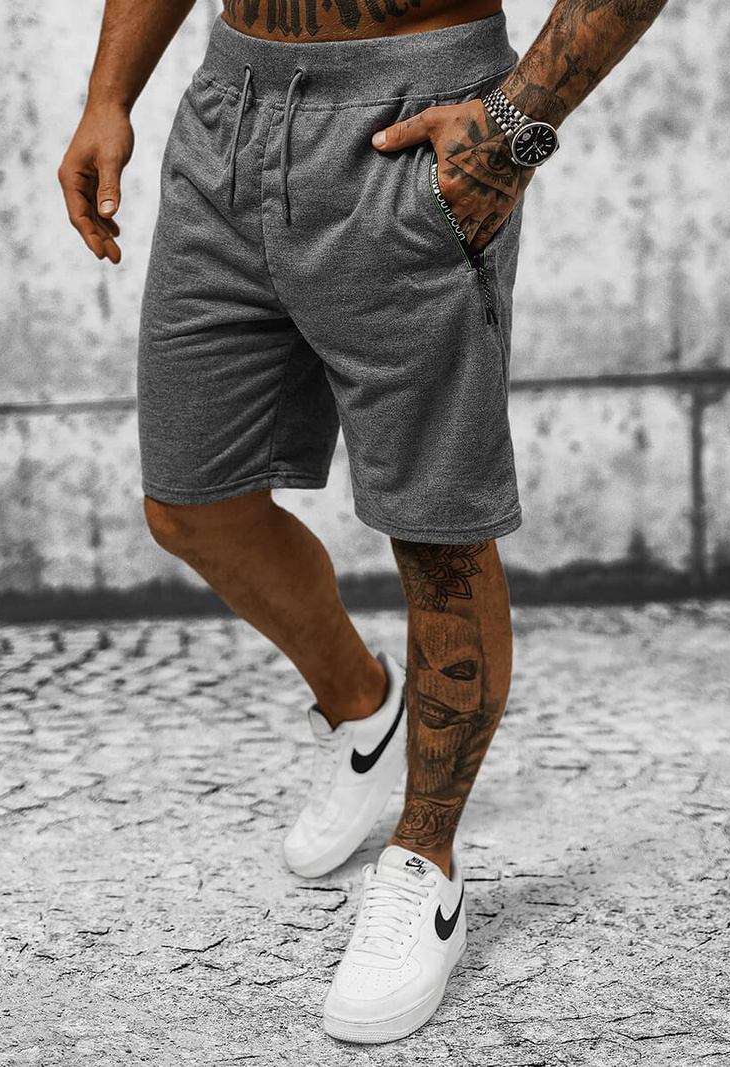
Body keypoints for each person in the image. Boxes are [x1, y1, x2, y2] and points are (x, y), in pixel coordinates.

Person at [59, 0, 669, 1044]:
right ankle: (361, 707)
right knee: (190, 502)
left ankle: (424, 863)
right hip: (228, 119)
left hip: (413, 123)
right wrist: (108, 95)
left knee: (438, 532)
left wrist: (513, 125)